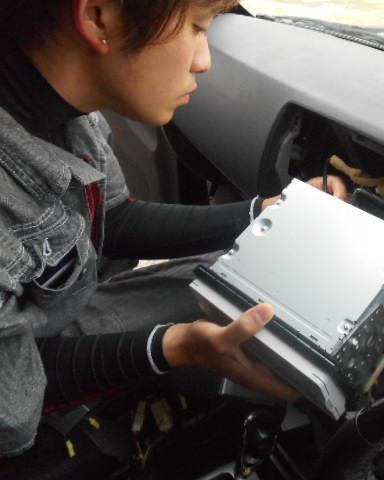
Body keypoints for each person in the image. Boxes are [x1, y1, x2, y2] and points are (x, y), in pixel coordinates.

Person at [0, 0, 347, 458]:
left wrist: (265, 212)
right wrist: (178, 347)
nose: (204, 61)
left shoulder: (67, 112)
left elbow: (113, 219)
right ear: (99, 16)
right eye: (197, 28)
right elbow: (13, 408)